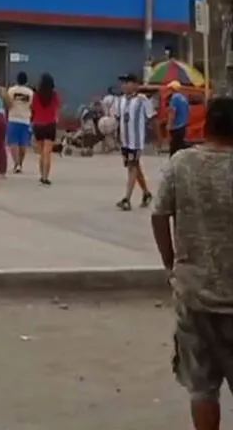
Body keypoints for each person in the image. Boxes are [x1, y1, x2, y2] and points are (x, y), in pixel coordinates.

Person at [151, 96, 233, 430]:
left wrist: (172, 264)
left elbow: (159, 215)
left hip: (193, 294)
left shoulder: (181, 163)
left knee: (202, 389)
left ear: (207, 126)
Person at [115, 73, 154, 211]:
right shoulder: (119, 100)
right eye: (123, 83)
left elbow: (150, 118)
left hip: (136, 141)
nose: (124, 85)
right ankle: (146, 193)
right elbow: (117, 119)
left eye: (128, 82)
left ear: (135, 84)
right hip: (125, 140)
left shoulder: (142, 100)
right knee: (134, 168)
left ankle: (127, 199)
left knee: (132, 167)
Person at [31, 73, 60, 185]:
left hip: (38, 125)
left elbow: (32, 109)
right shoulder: (54, 95)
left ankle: (41, 174)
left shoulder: (36, 95)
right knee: (47, 152)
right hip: (50, 125)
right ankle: (45, 177)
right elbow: (57, 109)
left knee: (42, 153)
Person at [6, 71, 33, 173]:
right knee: (24, 143)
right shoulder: (30, 93)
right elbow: (31, 105)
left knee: (14, 142)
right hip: (25, 119)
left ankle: (16, 164)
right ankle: (20, 163)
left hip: (13, 118)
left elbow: (8, 103)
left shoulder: (11, 90)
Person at [167, 79, 190, 156]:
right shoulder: (184, 98)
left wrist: (169, 125)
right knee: (180, 146)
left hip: (176, 126)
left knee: (174, 148)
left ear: (172, 89)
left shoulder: (174, 98)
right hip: (183, 125)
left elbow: (172, 113)